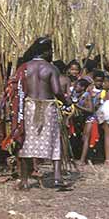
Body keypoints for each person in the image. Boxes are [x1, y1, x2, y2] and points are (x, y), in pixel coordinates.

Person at [17, 37, 67, 189]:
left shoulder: (25, 67)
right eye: (50, 51)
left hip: (29, 107)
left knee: (26, 142)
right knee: (55, 140)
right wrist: (67, 102)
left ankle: (24, 181)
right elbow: (57, 91)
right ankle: (57, 178)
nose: (52, 53)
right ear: (44, 52)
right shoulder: (51, 68)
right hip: (47, 107)